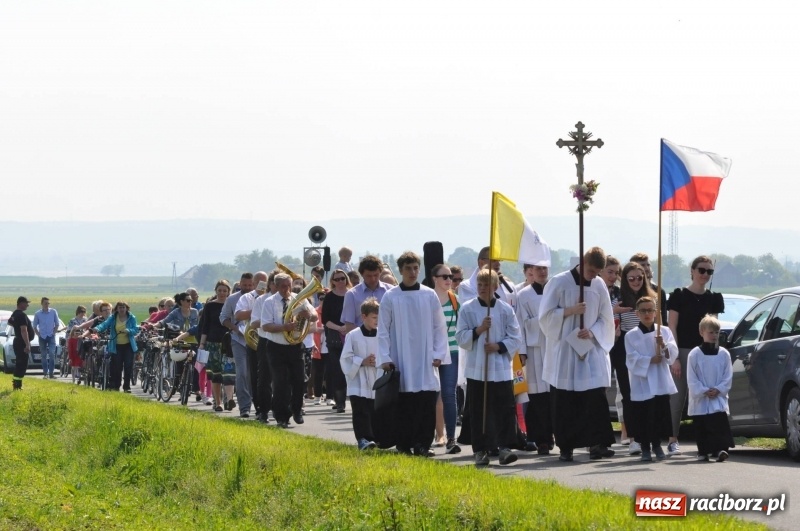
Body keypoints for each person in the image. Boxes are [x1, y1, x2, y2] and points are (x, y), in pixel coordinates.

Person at [539, 246, 616, 462]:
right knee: (565, 400)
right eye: (591, 271)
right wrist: (570, 311)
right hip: (565, 349)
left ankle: (597, 444)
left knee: (593, 398)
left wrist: (592, 331)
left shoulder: (599, 285)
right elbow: (544, 316)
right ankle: (567, 446)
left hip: (589, 346)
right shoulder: (559, 282)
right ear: (583, 262)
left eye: (596, 273)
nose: (593, 276)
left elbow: (606, 318)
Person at [377, 251, 447, 457]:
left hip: (425, 357)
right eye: (408, 268)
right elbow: (382, 329)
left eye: (416, 267)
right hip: (401, 358)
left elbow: (439, 326)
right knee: (405, 403)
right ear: (400, 270)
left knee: (425, 402)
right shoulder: (391, 297)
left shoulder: (429, 294)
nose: (412, 272)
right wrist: (385, 357)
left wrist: (439, 353)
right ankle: (404, 443)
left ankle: (423, 444)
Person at [457, 269, 523, 466]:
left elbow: (515, 337)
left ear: (495, 287)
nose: (483, 288)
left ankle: (504, 447)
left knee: (503, 409)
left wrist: (498, 346)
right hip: (478, 368)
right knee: (479, 411)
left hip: (501, 368)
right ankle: (480, 449)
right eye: (480, 285)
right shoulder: (468, 309)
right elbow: (460, 336)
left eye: (487, 285)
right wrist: (478, 330)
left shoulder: (505, 309)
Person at [667, 255, 724, 456]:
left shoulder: (713, 298)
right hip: (682, 350)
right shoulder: (679, 296)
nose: (705, 275)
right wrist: (673, 356)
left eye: (709, 271)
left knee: (707, 396)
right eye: (701, 270)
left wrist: (716, 356)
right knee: (678, 397)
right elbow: (671, 326)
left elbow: (714, 330)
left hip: (705, 354)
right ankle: (673, 439)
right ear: (692, 271)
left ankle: (710, 441)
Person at [260, 273, 318, 428]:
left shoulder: (298, 298)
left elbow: (314, 315)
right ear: (276, 286)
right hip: (276, 347)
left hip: (295, 346)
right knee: (280, 383)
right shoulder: (269, 302)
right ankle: (281, 416)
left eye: (289, 285)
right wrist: (284, 327)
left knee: (299, 380)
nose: (287, 289)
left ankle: (297, 409)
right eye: (283, 286)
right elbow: (265, 326)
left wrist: (308, 314)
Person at [624, 296, 678, 461]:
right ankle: (645, 447)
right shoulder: (631, 336)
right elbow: (631, 359)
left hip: (660, 379)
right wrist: (648, 360)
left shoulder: (664, 331)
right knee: (643, 416)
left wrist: (663, 345)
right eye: (643, 311)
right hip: (643, 381)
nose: (647, 314)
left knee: (659, 415)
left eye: (650, 310)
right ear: (637, 313)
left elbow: (672, 354)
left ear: (656, 312)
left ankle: (657, 445)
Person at [610, 262, 654, 456]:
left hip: (648, 347)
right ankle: (634, 438)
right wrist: (614, 311)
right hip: (625, 347)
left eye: (639, 278)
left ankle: (651, 436)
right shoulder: (619, 299)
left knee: (649, 394)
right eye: (631, 278)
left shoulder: (651, 297)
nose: (636, 281)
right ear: (625, 280)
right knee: (629, 395)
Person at [516, 260, 554, 455]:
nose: (541, 272)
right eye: (537, 269)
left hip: (554, 348)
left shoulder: (555, 290)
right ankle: (540, 439)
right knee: (537, 397)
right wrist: (521, 351)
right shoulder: (523, 295)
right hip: (534, 350)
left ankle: (552, 434)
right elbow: (520, 324)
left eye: (544, 268)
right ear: (531, 271)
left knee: (553, 396)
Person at [687, 314, 734, 462]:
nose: (714, 336)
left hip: (717, 396)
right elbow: (692, 377)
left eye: (716, 332)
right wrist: (703, 390)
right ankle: (703, 451)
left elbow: (728, 376)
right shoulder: (694, 354)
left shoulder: (724, 354)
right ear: (701, 332)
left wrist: (719, 389)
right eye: (710, 332)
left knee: (718, 424)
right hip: (701, 398)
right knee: (702, 425)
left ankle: (720, 450)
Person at [340, 297, 381, 451]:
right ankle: (363, 439)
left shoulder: (382, 334)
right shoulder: (353, 335)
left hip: (376, 378)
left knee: (374, 410)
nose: (377, 321)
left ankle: (376, 438)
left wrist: (379, 362)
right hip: (358, 380)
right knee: (360, 411)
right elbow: (345, 358)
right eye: (374, 317)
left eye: (379, 317)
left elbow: (387, 353)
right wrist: (361, 361)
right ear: (364, 316)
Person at [431, 263, 461, 454]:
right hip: (431, 353)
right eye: (445, 277)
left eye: (451, 276)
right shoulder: (428, 299)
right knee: (429, 394)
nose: (449, 280)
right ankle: (430, 435)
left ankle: (451, 437)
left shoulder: (455, 300)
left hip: (452, 351)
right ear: (435, 279)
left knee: (449, 394)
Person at [235, 271, 270, 421]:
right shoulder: (247, 297)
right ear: (254, 284)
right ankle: (259, 408)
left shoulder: (272, 297)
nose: (263, 286)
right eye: (259, 283)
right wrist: (257, 309)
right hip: (253, 340)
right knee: (255, 377)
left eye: (265, 282)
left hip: (271, 339)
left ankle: (273, 405)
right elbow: (238, 315)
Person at [222, 272, 254, 418]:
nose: (247, 288)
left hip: (257, 341)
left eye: (250, 285)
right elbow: (223, 318)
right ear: (239, 284)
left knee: (254, 374)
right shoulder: (232, 299)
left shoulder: (259, 298)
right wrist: (235, 328)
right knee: (241, 373)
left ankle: (259, 403)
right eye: (244, 285)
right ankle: (244, 407)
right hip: (238, 340)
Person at [199, 280, 233, 412]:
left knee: (229, 372)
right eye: (220, 290)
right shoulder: (210, 306)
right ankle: (217, 402)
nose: (222, 293)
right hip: (212, 343)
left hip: (228, 343)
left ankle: (229, 399)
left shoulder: (232, 305)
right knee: (215, 374)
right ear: (216, 291)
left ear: (228, 292)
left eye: (225, 291)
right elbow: (205, 326)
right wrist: (202, 344)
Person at [322, 268, 352, 412]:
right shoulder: (329, 297)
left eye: (342, 278)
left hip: (351, 333)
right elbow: (325, 319)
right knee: (337, 369)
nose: (340, 281)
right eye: (337, 279)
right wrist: (339, 328)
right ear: (332, 282)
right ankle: (340, 402)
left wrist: (348, 327)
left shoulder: (352, 294)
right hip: (335, 337)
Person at [93, 301, 140, 392]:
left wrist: (129, 330)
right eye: (120, 307)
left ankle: (126, 387)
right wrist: (96, 329)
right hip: (116, 345)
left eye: (123, 307)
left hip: (128, 345)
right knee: (117, 366)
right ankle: (117, 386)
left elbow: (135, 329)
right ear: (116, 309)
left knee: (128, 366)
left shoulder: (131, 317)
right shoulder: (113, 317)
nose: (122, 309)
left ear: (126, 308)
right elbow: (104, 324)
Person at [341, 255, 393, 334]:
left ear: (380, 273)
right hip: (362, 341)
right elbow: (349, 325)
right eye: (369, 276)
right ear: (362, 274)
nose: (373, 279)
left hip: (386, 340)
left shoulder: (390, 291)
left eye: (376, 275)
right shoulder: (351, 295)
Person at [630, 252, 668, 325]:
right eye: (642, 265)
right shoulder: (627, 291)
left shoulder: (658, 291)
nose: (646, 268)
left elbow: (663, 319)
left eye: (648, 265)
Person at [9, 296, 34, 390]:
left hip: (17, 341)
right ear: (20, 303)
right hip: (22, 343)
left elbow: (10, 322)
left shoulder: (15, 314)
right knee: (22, 364)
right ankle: (17, 386)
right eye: (26, 303)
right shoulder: (22, 315)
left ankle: (16, 384)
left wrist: (17, 327)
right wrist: (27, 344)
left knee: (20, 363)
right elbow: (24, 330)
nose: (27, 305)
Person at [33, 297, 60, 379]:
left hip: (51, 336)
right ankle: (45, 373)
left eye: (48, 303)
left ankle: (51, 373)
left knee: (52, 354)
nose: (47, 305)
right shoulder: (38, 314)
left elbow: (57, 323)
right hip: (42, 336)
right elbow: (34, 326)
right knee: (43, 355)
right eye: (45, 303)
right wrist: (38, 334)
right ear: (42, 304)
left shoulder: (53, 312)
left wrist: (54, 332)